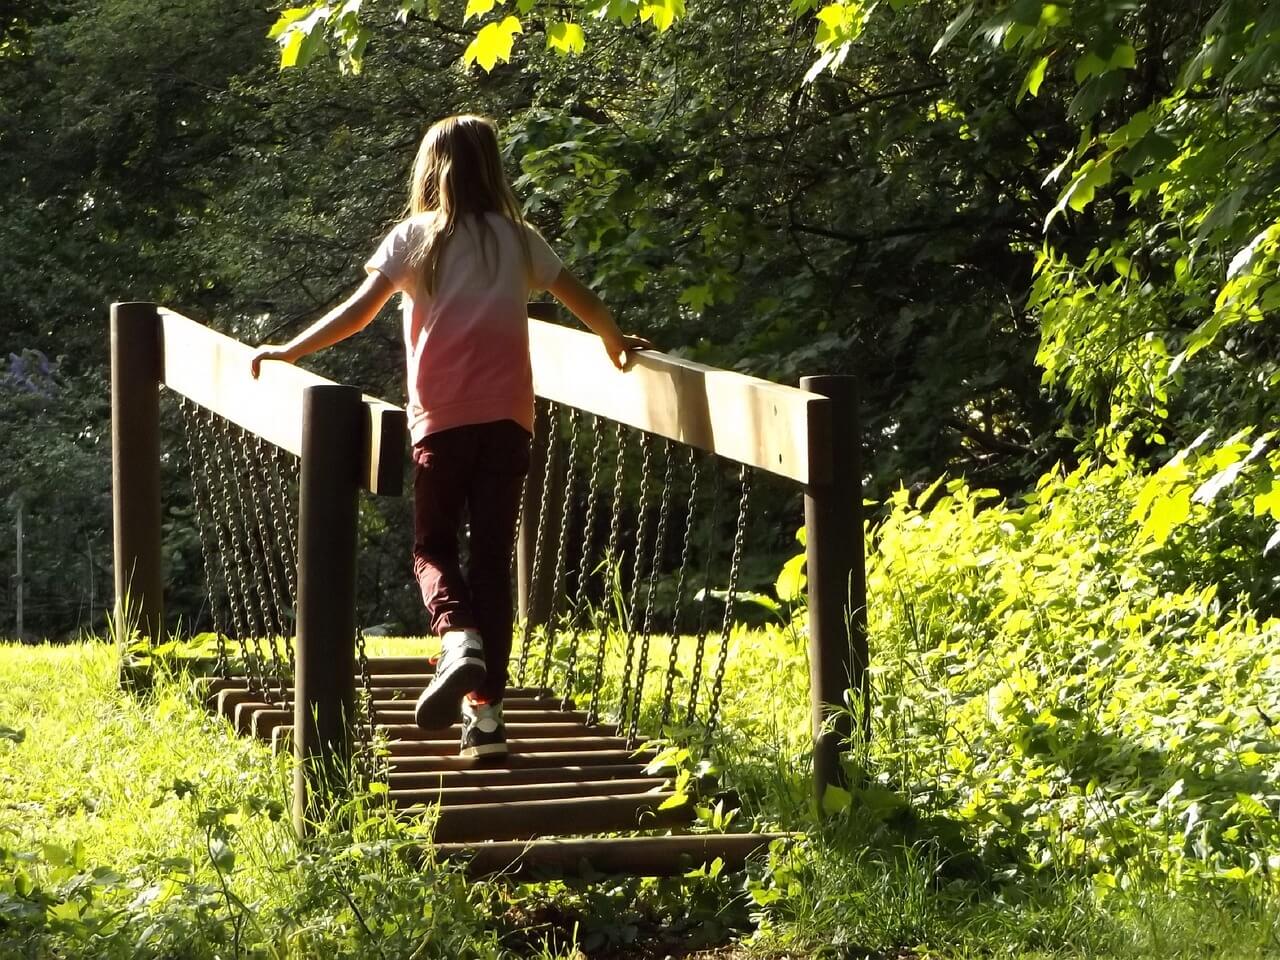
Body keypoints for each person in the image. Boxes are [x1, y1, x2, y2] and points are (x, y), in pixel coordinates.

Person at [250, 114, 651, 758]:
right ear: (492, 169)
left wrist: (289, 350)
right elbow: (582, 299)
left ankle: (457, 636)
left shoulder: (415, 238)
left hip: (440, 422)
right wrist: (614, 340)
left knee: (432, 548)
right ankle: (486, 720)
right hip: (508, 423)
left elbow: (357, 314)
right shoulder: (518, 239)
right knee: (491, 562)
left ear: (430, 170)